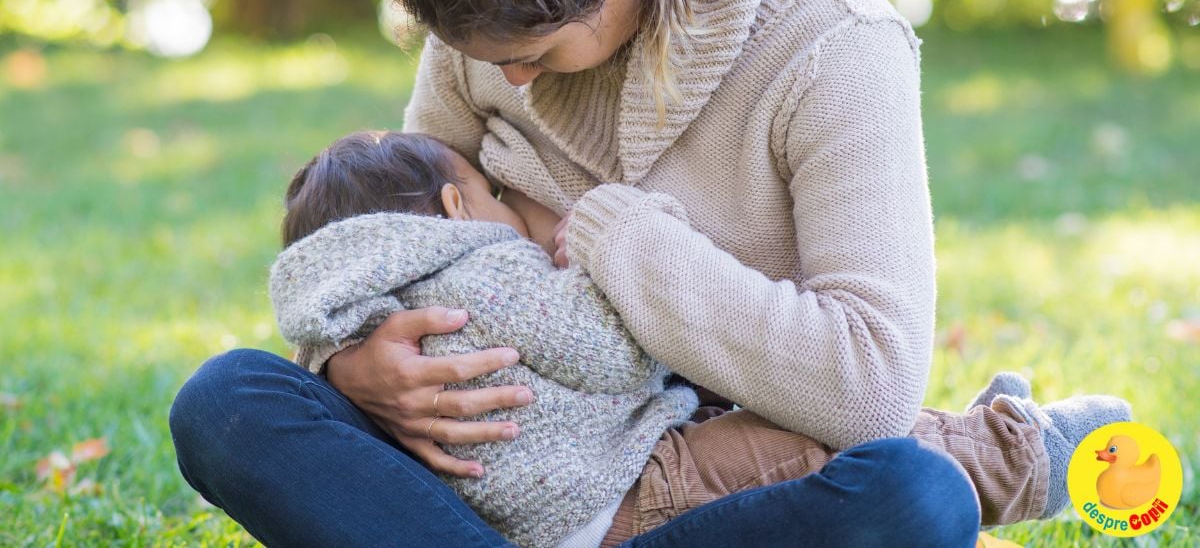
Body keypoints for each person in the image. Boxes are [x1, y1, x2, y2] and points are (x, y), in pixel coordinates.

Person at [166, 0, 1061, 544]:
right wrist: (352, 366)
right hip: (484, 485)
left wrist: (626, 241)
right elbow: (412, 235)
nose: (506, 81)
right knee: (226, 401)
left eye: (533, 54)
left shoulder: (834, 45)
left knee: (913, 498)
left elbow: (869, 391)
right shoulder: (487, 10)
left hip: (701, 479)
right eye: (479, 59)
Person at [264, 129, 1129, 547]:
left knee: (833, 454)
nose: (507, 208)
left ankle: (989, 434)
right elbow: (605, 350)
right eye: (493, 192)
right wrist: (623, 253)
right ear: (458, 208)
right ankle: (1031, 456)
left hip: (557, 510)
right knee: (811, 442)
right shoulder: (483, 271)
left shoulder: (351, 312)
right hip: (624, 496)